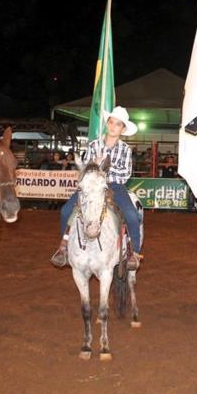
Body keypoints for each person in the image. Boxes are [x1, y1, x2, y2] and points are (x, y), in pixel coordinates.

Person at [51, 106, 142, 271]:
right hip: (92, 186)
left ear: (123, 129)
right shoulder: (94, 145)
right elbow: (84, 169)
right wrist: (94, 167)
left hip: (114, 186)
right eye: (112, 122)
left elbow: (125, 173)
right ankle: (64, 247)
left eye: (118, 124)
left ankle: (133, 252)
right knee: (65, 211)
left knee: (131, 215)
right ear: (107, 123)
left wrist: (105, 169)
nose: (114, 126)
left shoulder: (125, 149)